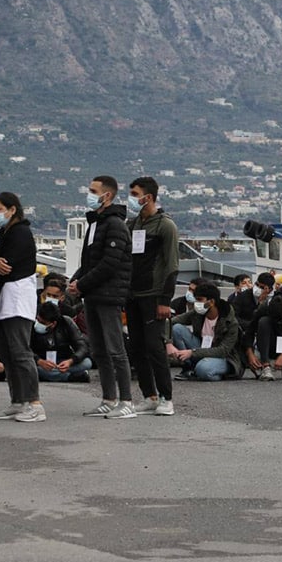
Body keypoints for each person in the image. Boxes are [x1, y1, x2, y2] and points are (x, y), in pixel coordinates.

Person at [68, 175, 135, 419]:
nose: (89, 194)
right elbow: (89, 261)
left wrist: (82, 284)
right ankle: (108, 398)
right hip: (93, 295)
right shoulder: (95, 223)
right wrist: (76, 281)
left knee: (116, 350)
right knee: (99, 350)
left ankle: (126, 401)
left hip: (109, 295)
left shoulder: (115, 224)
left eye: (93, 190)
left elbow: (109, 264)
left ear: (107, 195)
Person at [0, 191, 45, 423]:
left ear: (12, 210)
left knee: (20, 352)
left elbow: (5, 265)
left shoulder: (21, 234)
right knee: (6, 354)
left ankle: (34, 402)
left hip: (17, 298)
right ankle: (17, 400)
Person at [125, 176, 180, 416]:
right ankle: (149, 395)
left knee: (154, 346)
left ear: (149, 196)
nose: (132, 199)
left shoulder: (165, 226)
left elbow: (172, 265)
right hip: (133, 294)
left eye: (135, 194)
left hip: (154, 294)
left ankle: (167, 398)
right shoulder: (133, 224)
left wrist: (165, 301)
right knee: (136, 347)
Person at [169, 281, 245, 381]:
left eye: (200, 300)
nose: (196, 304)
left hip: (224, 357)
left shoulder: (230, 322)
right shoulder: (197, 313)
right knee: (177, 328)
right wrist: (168, 342)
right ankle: (188, 367)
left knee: (203, 369)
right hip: (201, 350)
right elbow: (172, 322)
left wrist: (192, 353)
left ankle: (221, 373)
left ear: (211, 302)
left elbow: (223, 350)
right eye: (196, 300)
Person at [31, 302, 92, 383]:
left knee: (87, 363)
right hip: (40, 362)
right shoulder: (32, 325)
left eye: (43, 323)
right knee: (32, 368)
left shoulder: (66, 322)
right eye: (38, 320)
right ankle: (69, 377)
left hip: (62, 361)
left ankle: (52, 375)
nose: (38, 324)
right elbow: (24, 348)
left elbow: (82, 346)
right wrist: (38, 360)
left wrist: (70, 361)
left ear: (53, 323)